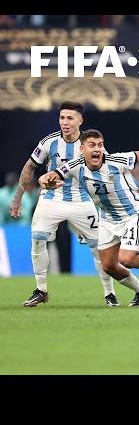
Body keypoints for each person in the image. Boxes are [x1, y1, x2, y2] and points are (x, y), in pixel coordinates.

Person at [10, 101, 119, 307]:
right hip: (52, 199)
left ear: (80, 120)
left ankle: (109, 293)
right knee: (37, 240)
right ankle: (41, 289)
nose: (65, 122)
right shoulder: (49, 142)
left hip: (82, 200)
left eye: (70, 118)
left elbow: (107, 171)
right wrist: (18, 198)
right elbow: (29, 167)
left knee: (99, 249)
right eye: (62, 118)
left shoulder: (91, 143)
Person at [37, 129, 139, 307]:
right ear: (81, 148)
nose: (97, 150)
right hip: (108, 217)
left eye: (100, 145)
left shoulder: (115, 160)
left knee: (126, 259)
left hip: (131, 212)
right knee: (108, 266)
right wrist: (45, 182)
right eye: (92, 145)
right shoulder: (74, 165)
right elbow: (49, 176)